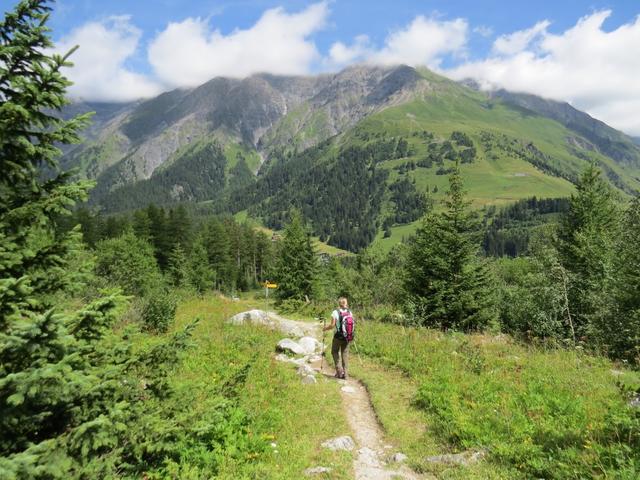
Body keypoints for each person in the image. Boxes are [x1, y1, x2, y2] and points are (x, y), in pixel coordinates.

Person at [323, 297, 352, 379]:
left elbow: (332, 325)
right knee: (345, 354)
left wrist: (325, 328)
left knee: (334, 352)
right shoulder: (349, 312)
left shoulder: (335, 312)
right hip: (347, 337)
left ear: (339, 303)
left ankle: (339, 372)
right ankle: (346, 375)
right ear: (346, 303)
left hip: (338, 336)